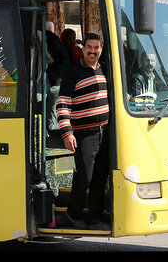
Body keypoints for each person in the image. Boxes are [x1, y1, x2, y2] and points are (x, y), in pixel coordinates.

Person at [56, 33, 109, 230]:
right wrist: (67, 132)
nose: (92, 51)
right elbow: (62, 103)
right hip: (83, 134)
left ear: (101, 50)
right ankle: (72, 215)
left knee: (99, 177)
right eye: (89, 47)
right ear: (83, 48)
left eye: (96, 47)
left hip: (105, 132)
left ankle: (94, 219)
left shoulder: (106, 69)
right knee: (85, 176)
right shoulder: (73, 71)